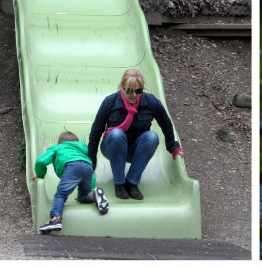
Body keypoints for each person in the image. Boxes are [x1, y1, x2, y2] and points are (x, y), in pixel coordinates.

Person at [87, 69, 183, 201]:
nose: (133, 95)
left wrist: (173, 146)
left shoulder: (150, 102)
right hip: (112, 147)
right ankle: (119, 183)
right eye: (129, 90)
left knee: (152, 137)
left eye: (138, 91)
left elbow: (166, 124)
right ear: (122, 87)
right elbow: (95, 132)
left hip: (136, 149)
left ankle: (132, 182)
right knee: (116, 134)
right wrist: (91, 163)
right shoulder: (110, 102)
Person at [34, 129, 109, 234]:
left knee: (60, 195)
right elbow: (92, 177)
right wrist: (90, 188)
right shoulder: (82, 152)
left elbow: (41, 161)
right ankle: (94, 194)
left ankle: (55, 219)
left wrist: (40, 175)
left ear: (60, 142)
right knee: (83, 197)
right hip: (88, 166)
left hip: (72, 166)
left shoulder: (57, 147)